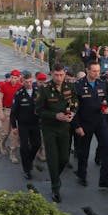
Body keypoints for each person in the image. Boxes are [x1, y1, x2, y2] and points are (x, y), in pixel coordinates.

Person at [36, 63, 77, 202]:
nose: (59, 78)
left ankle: (55, 177)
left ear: (64, 74)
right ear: (52, 74)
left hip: (64, 128)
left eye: (61, 75)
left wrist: (73, 113)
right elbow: (39, 110)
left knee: (64, 158)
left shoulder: (69, 86)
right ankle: (55, 188)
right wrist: (55, 115)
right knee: (53, 159)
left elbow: (75, 102)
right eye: (56, 75)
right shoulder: (44, 89)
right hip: (50, 129)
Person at [73, 62, 108, 190]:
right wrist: (77, 126)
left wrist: (107, 107)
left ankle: (105, 179)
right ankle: (81, 175)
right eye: (93, 71)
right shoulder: (78, 86)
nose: (96, 73)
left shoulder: (101, 83)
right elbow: (72, 108)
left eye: (98, 71)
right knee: (83, 151)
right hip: (85, 122)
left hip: (100, 121)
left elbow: (106, 99)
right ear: (87, 70)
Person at [10, 72, 42, 179]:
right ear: (22, 81)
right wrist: (14, 126)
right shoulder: (19, 93)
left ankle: (30, 159)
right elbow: (13, 111)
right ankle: (27, 169)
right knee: (24, 147)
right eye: (26, 82)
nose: (28, 84)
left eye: (30, 81)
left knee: (37, 144)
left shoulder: (38, 92)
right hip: (23, 124)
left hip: (35, 123)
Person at [0, 70, 21, 162]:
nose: (13, 80)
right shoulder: (4, 86)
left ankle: (12, 153)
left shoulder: (20, 86)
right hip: (6, 110)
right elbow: (0, 99)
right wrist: (1, 112)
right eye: (12, 77)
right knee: (5, 132)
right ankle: (2, 144)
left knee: (15, 133)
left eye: (15, 78)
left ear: (18, 78)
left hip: (17, 112)